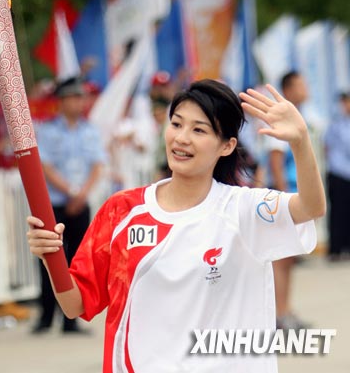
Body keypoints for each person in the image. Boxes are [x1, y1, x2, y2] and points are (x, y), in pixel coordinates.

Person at [27, 79, 325, 372]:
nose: (182, 138)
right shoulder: (123, 212)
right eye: (177, 124)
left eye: (199, 130)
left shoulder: (242, 210)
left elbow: (311, 207)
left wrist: (300, 142)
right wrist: (51, 256)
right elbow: (74, 304)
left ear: (227, 146)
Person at [31, 76, 107, 334]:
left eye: (80, 97)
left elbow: (97, 165)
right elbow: (45, 166)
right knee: (49, 259)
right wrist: (71, 191)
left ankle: (71, 320)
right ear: (62, 101)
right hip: (54, 205)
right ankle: (45, 316)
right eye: (74, 97)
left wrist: (82, 194)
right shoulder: (48, 130)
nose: (79, 102)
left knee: (78, 260)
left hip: (80, 202)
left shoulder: (90, 130)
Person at [263, 71, 312, 330]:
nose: (306, 88)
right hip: (284, 197)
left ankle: (285, 310)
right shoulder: (281, 120)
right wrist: (283, 199)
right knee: (281, 258)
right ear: (289, 89)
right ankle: (279, 314)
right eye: (301, 84)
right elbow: (275, 160)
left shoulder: (298, 117)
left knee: (289, 257)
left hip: (294, 196)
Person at [324, 91, 350, 260]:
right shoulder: (336, 123)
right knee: (337, 212)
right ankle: (335, 248)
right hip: (338, 172)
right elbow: (327, 146)